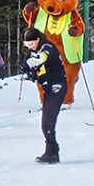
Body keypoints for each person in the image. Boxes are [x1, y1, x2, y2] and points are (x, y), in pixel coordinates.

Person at [20, 27, 67, 164]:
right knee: (45, 122)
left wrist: (30, 64)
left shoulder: (47, 47)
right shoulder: (35, 50)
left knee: (48, 121)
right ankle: (52, 150)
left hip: (57, 85)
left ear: (38, 39)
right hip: (48, 86)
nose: (30, 48)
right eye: (27, 45)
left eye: (31, 44)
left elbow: (42, 58)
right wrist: (31, 73)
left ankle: (52, 151)